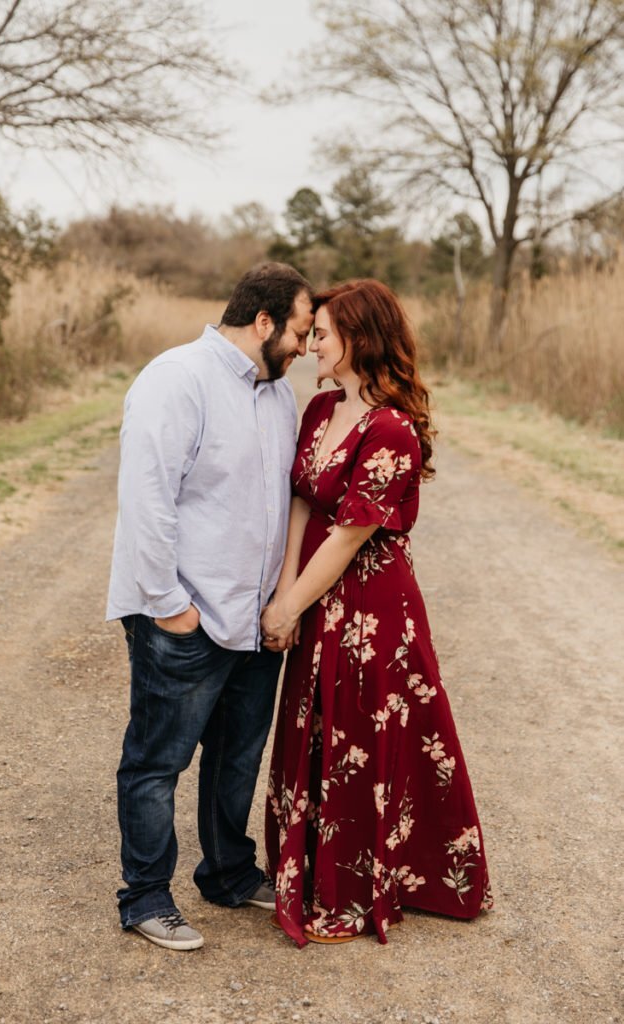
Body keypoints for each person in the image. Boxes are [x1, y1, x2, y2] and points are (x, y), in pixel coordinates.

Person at [261, 279, 492, 946]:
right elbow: (302, 506)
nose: (310, 346)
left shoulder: (390, 428)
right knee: (316, 726)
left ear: (359, 339)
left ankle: (361, 888)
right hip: (311, 589)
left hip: (369, 607)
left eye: (323, 334)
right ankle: (311, 874)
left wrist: (291, 605)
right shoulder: (319, 409)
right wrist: (285, 598)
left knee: (361, 737)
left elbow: (349, 533)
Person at [106, 262, 314, 951]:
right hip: (182, 618)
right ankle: (144, 898)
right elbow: (146, 498)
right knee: (156, 761)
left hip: (253, 621)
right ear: (263, 322)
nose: (306, 346)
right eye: (300, 330)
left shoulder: (277, 395)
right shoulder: (176, 379)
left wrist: (278, 601)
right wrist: (169, 606)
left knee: (236, 759)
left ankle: (227, 873)